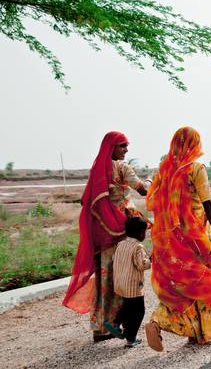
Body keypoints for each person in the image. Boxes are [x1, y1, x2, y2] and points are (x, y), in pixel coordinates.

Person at [144, 126, 211, 352]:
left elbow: (156, 202)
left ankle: (171, 325)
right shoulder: (195, 168)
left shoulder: (166, 169)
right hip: (196, 239)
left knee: (184, 285)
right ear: (195, 144)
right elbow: (208, 203)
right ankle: (191, 329)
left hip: (171, 241)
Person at [62, 131, 151, 342]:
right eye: (122, 146)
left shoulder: (97, 170)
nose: (126, 150)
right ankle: (125, 328)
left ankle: (101, 329)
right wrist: (150, 179)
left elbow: (87, 201)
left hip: (101, 233)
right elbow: (143, 191)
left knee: (105, 279)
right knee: (124, 278)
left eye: (126, 145)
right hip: (120, 230)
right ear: (112, 147)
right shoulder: (122, 168)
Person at [104, 216, 151, 347]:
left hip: (120, 283)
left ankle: (114, 323)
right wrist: (150, 261)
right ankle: (131, 338)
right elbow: (142, 265)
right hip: (133, 285)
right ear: (141, 233)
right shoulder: (138, 247)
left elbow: (115, 258)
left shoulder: (121, 244)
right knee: (139, 311)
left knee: (128, 306)